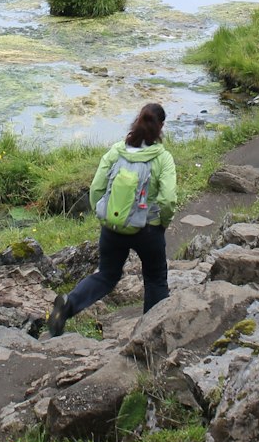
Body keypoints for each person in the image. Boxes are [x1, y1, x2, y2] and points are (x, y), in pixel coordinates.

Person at [46, 102, 177, 335]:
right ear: (161, 127)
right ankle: (149, 336)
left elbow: (97, 187)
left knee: (107, 274)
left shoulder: (117, 150)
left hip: (112, 229)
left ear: (137, 121)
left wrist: (105, 216)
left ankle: (69, 304)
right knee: (155, 279)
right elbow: (167, 200)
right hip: (147, 230)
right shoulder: (162, 158)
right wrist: (162, 222)